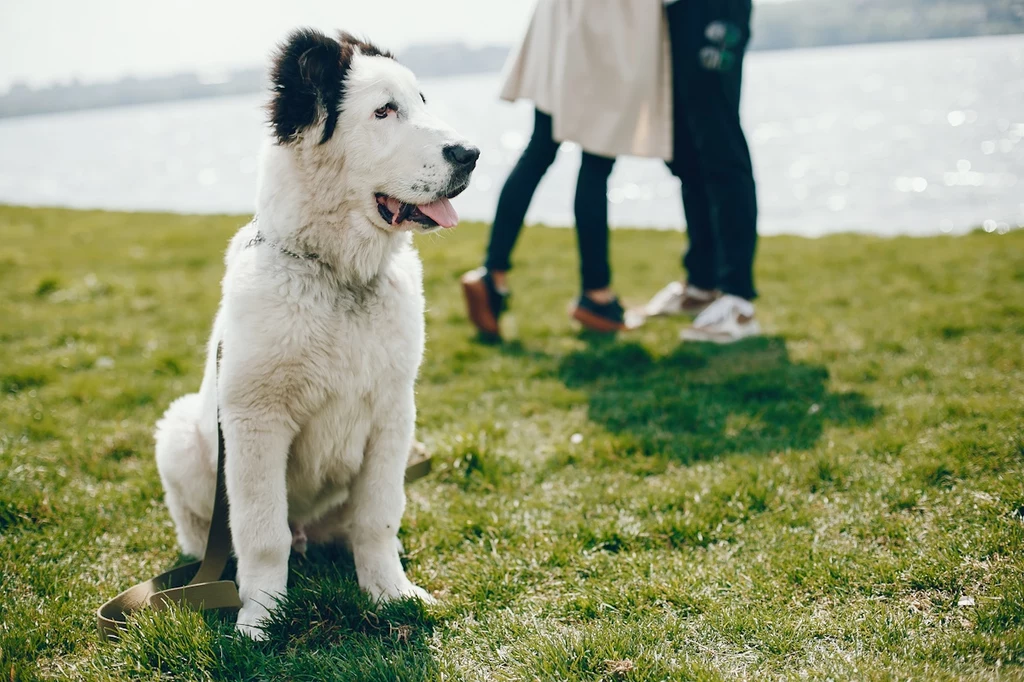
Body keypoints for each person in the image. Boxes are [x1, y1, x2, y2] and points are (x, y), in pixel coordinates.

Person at [462, 0, 673, 336]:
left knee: (540, 150)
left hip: (565, 24)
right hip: (603, 30)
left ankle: (493, 273)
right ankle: (596, 294)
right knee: (596, 160)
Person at [644, 0, 762, 343]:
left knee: (720, 145)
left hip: (713, 9)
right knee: (686, 154)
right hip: (675, 12)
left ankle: (738, 299)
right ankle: (702, 284)